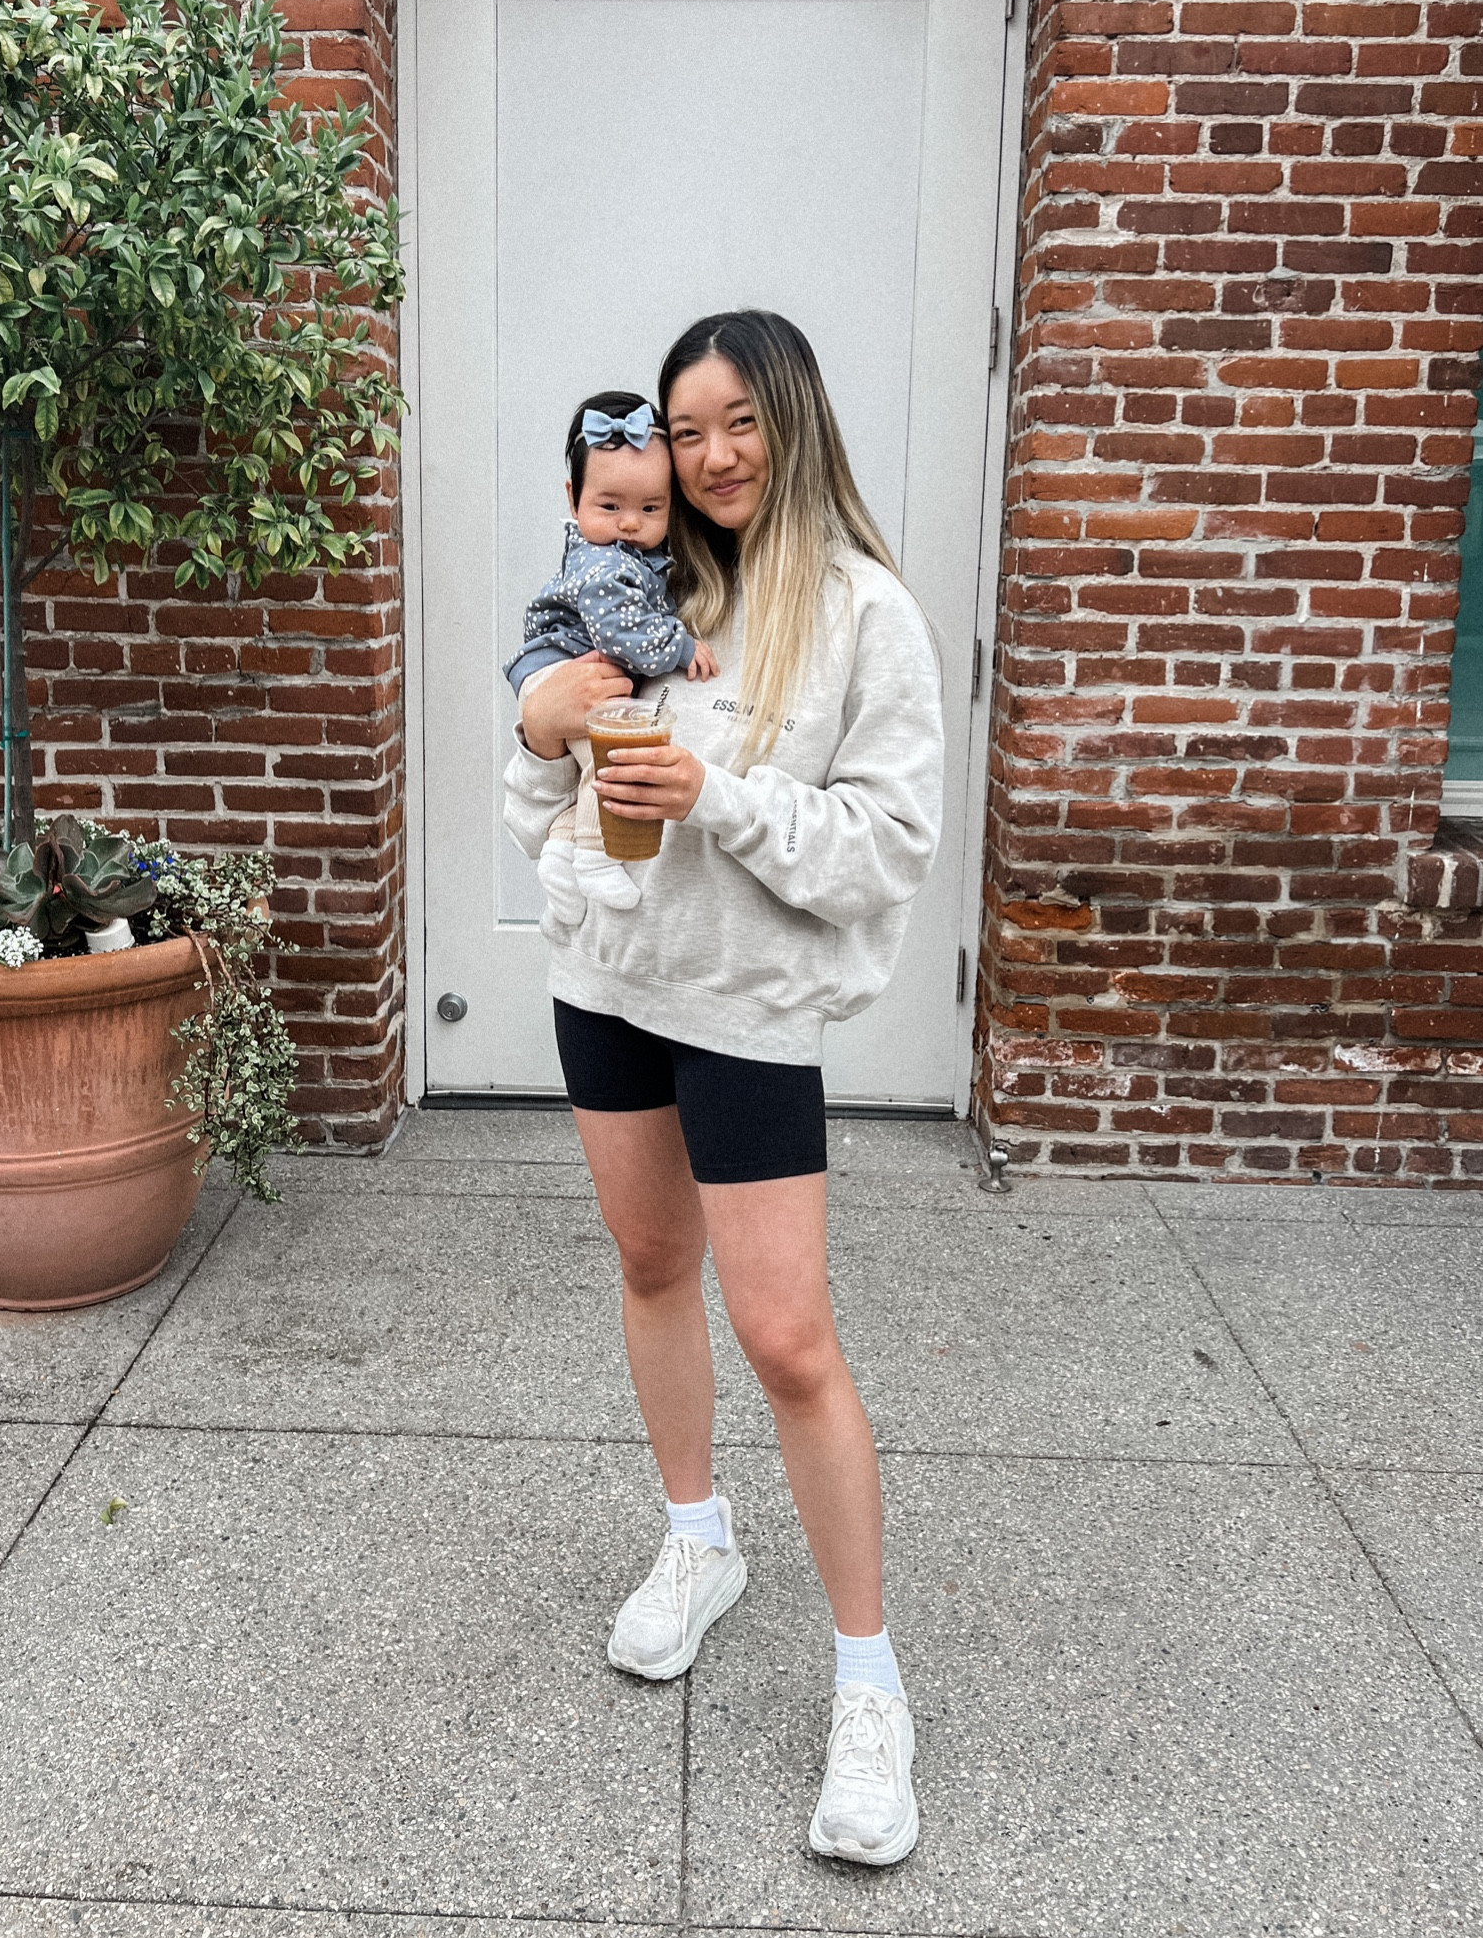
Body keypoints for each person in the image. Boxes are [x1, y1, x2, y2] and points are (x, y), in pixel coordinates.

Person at [502, 310, 944, 1866]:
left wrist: (721, 797)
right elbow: (531, 780)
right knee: (648, 1264)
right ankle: (698, 1538)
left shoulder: (864, 615)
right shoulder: (636, 590)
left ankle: (869, 1685)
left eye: (739, 420)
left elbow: (886, 848)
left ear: (794, 417)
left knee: (789, 1337)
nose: (713, 455)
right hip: (607, 980)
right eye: (686, 432)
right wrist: (548, 726)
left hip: (750, 1009)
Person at [504, 391, 717, 918]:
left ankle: (560, 850)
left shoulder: (621, 555)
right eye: (610, 505)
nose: (629, 522)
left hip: (558, 669)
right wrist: (681, 645)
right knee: (615, 761)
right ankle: (598, 857)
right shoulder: (605, 566)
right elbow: (626, 636)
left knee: (586, 773)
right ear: (573, 497)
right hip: (564, 673)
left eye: (650, 508)